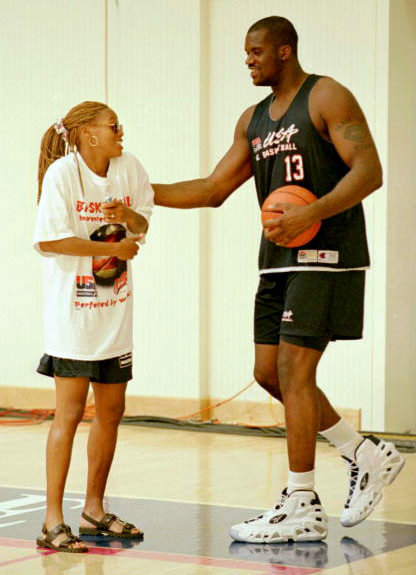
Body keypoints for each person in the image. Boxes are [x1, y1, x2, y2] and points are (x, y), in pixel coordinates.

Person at [152, 16, 404, 543]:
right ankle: (364, 452)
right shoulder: (252, 120)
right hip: (277, 261)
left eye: (257, 51)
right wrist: (139, 192)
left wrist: (310, 213)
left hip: (327, 254)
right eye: (245, 52)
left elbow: (369, 170)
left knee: (293, 366)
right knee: (269, 372)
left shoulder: (326, 96)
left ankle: (302, 502)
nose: (248, 59)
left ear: (285, 51)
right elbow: (213, 187)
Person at [34, 101, 154, 552]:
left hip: (115, 315)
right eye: (113, 126)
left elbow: (143, 223)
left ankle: (94, 510)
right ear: (88, 134)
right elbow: (48, 239)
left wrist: (127, 221)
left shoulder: (130, 168)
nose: (121, 131)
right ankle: (51, 520)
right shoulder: (63, 175)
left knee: (111, 413)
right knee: (68, 414)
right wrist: (111, 247)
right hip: (73, 318)